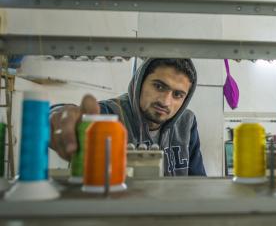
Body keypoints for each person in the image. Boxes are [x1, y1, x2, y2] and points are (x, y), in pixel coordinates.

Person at [50, 58, 206, 176]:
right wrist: (57, 116)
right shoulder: (109, 114)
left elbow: (198, 183)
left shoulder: (187, 122)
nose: (165, 101)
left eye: (177, 95)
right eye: (158, 86)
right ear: (139, 83)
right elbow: (66, 115)